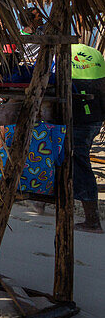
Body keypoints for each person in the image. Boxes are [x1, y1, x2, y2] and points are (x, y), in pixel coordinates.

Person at [71, 43, 105, 233]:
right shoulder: (94, 53)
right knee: (75, 160)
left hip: (80, 119)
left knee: (79, 162)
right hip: (95, 118)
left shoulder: (62, 53)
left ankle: (93, 221)